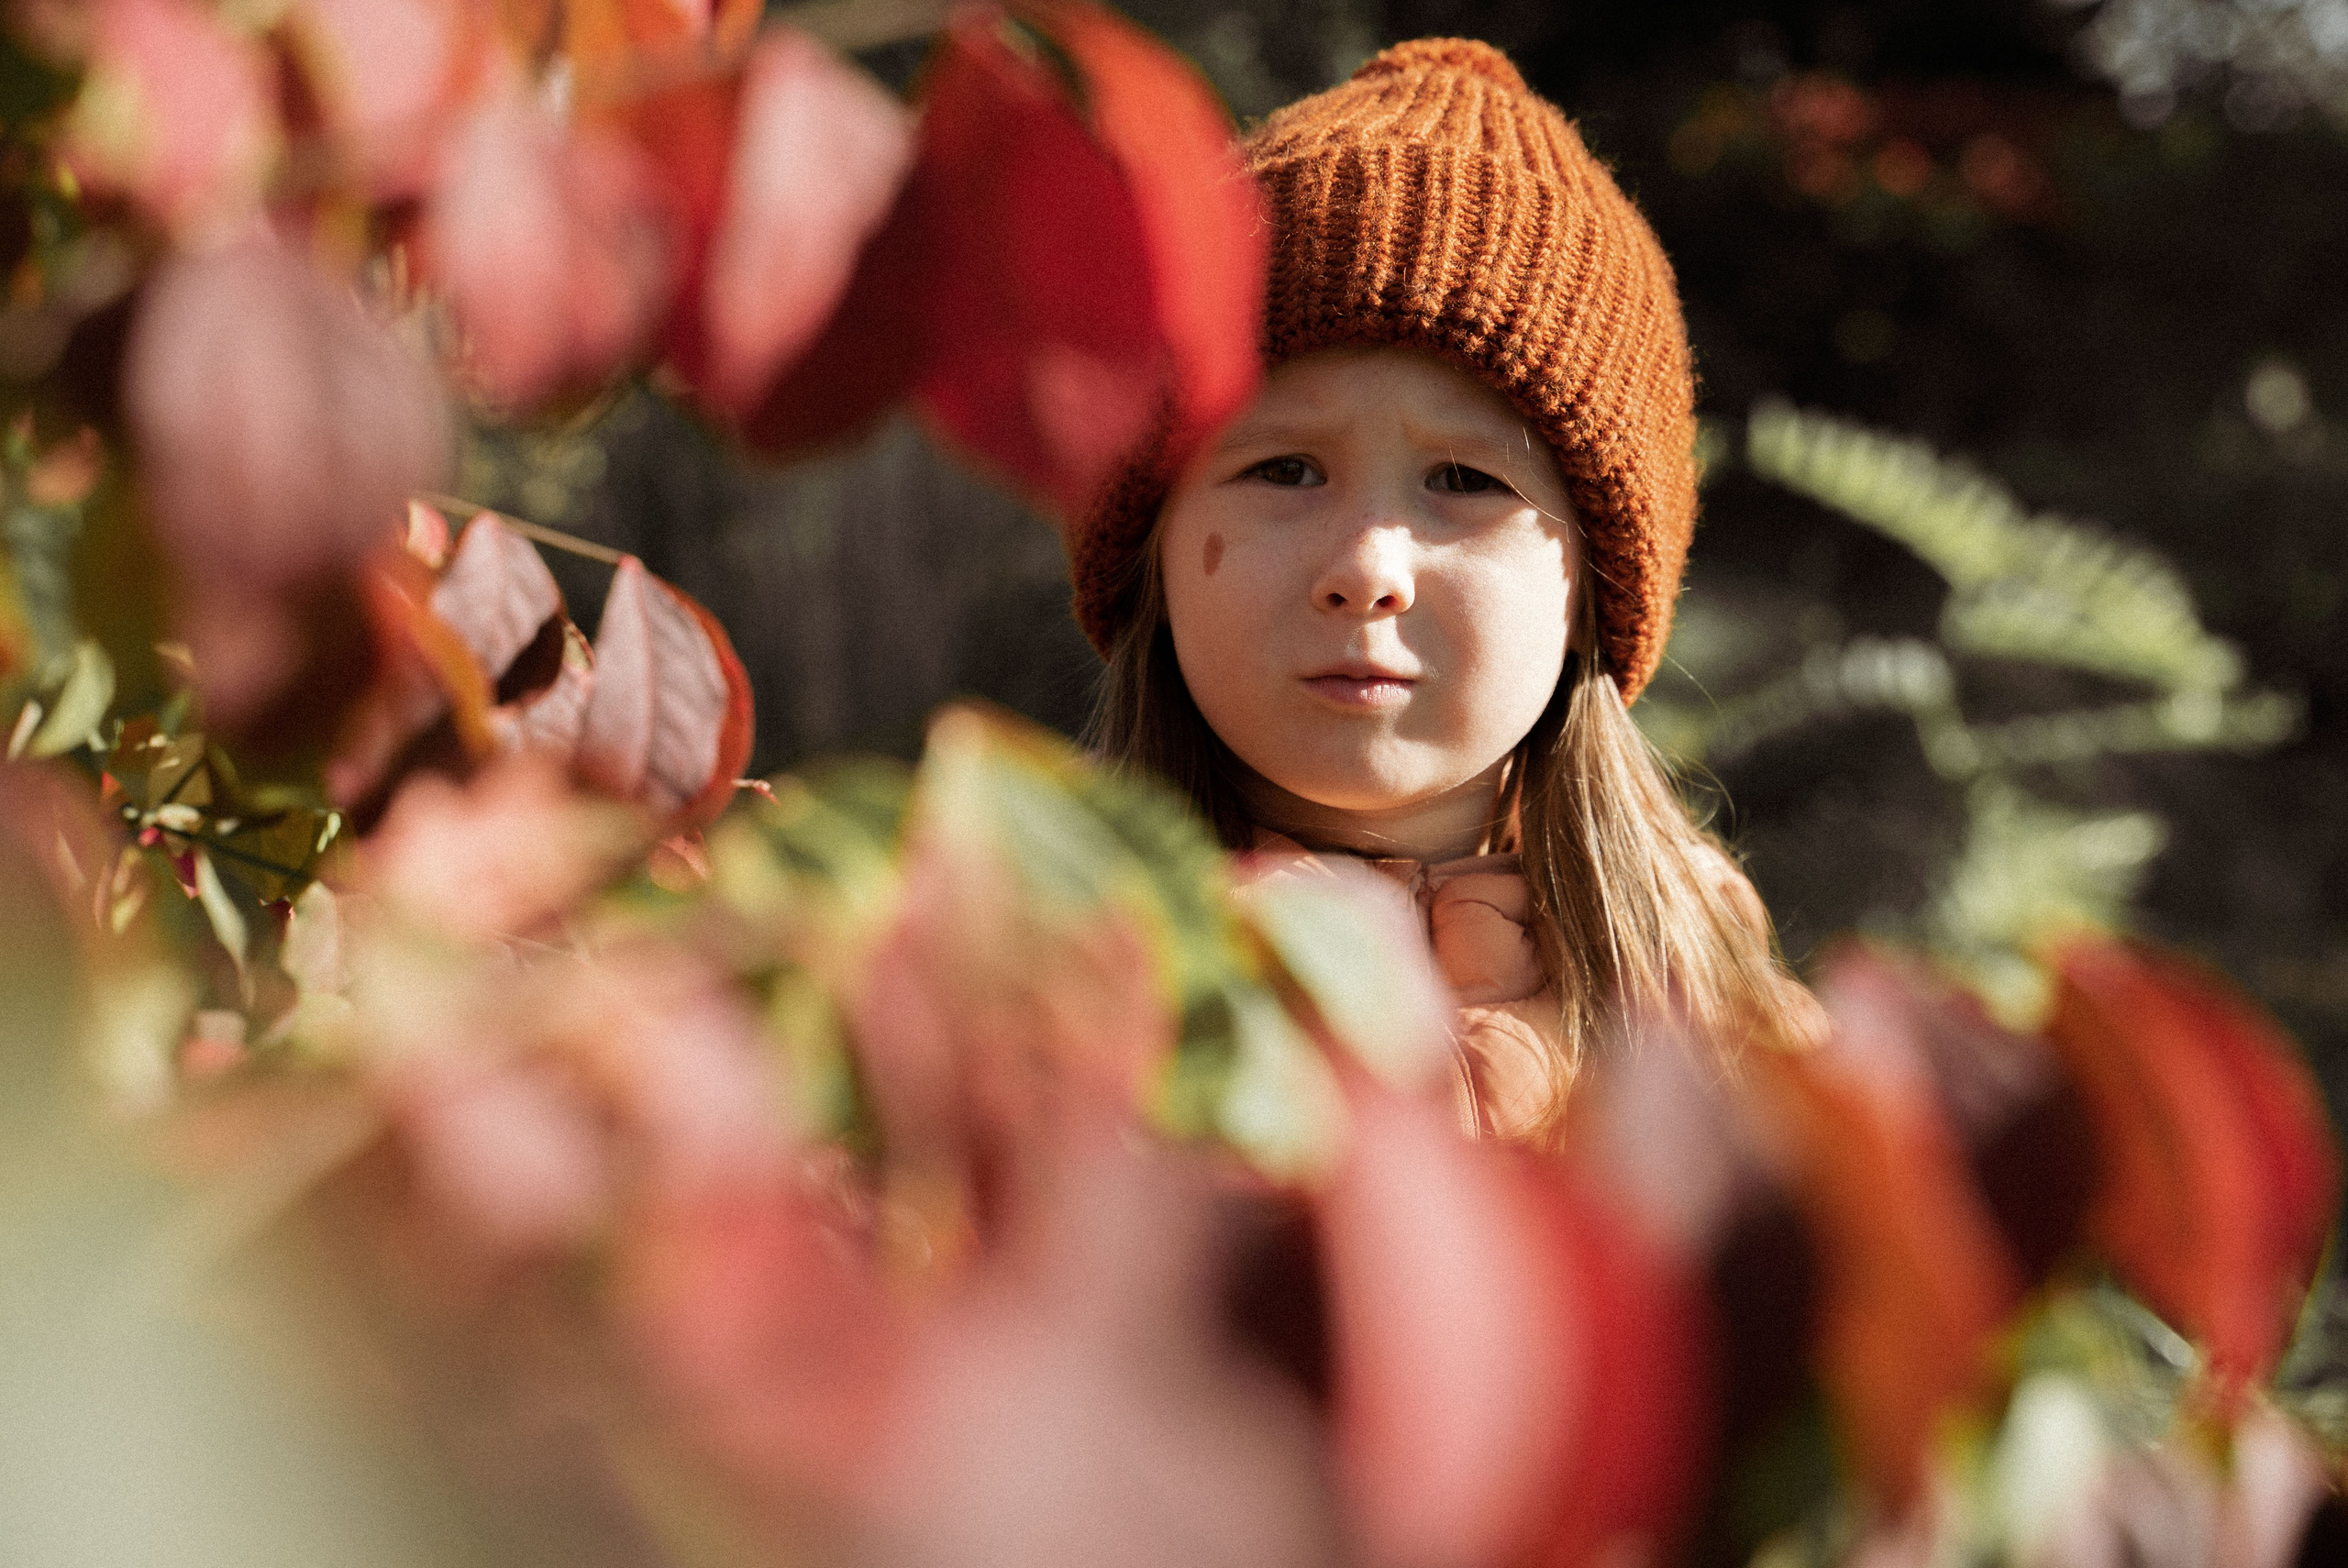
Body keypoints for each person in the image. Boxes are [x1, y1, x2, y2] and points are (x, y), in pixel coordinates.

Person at [1074, 37, 1822, 1143]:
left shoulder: (1738, 1050)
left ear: (1591, 588)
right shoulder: (1032, 997)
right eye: (1283, 468)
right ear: (1156, 543)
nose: (1365, 571)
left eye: (1464, 481)